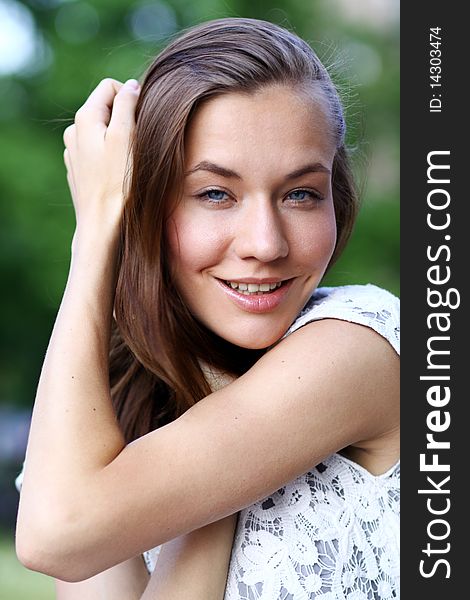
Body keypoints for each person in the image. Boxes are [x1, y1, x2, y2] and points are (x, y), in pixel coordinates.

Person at [15, 17, 400, 599]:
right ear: (142, 206)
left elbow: (56, 534)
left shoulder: (359, 346)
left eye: (301, 193)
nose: (265, 243)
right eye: (215, 194)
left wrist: (94, 235)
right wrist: (100, 240)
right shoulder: (124, 399)